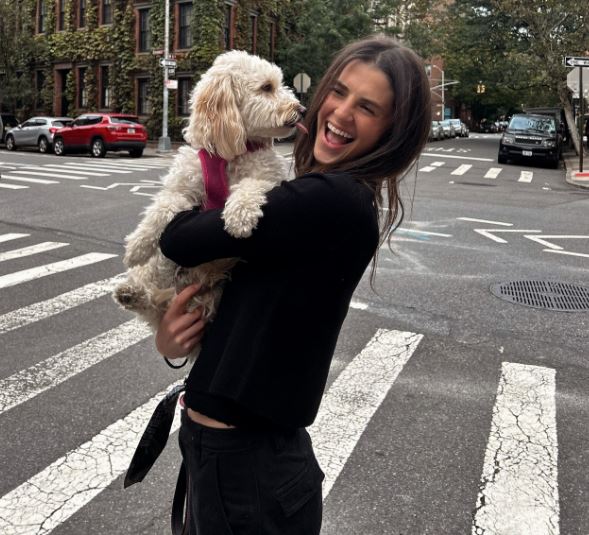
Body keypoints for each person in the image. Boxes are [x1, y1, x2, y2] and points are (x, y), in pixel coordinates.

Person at [156, 34, 431, 535]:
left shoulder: (330, 200)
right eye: (340, 92)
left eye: (367, 107)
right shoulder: (325, 196)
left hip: (246, 472)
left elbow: (177, 240)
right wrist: (175, 339)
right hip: (237, 462)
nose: (341, 113)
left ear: (394, 130)